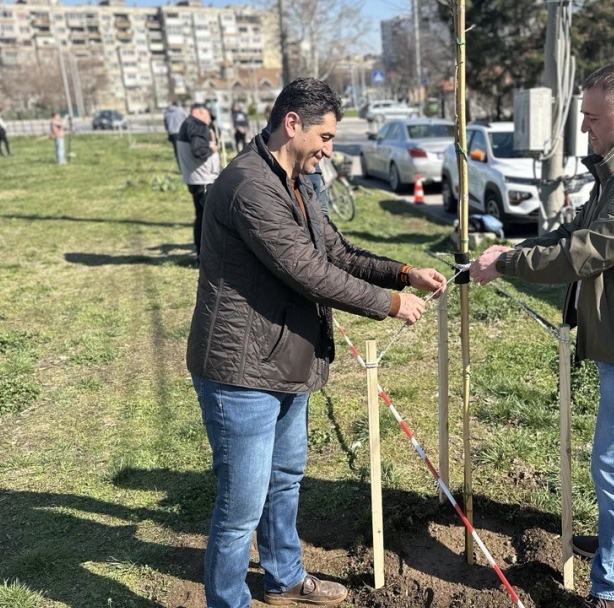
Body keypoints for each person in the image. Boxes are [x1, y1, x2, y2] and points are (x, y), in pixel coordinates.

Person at [186, 77, 446, 608]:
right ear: (292, 124)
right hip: (240, 371)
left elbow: (337, 253)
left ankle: (283, 579)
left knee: (284, 481)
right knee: (239, 510)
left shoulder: (299, 179)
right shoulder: (248, 186)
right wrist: (390, 306)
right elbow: (309, 273)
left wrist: (402, 273)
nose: (329, 149)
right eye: (324, 137)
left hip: (286, 359)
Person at [468, 63, 614, 608]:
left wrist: (506, 264)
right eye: (583, 115)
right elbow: (577, 228)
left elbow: (591, 250)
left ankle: (612, 588)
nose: (584, 128)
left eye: (593, 118)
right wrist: (516, 250)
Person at [174, 103, 220, 260]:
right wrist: (212, 149)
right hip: (203, 179)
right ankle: (205, 254)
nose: (209, 121)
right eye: (208, 116)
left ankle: (202, 252)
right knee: (208, 217)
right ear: (200, 112)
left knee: (202, 215)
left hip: (196, 178)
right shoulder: (197, 125)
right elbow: (198, 150)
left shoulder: (187, 124)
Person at [164, 100, 187, 165]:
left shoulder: (167, 113)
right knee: (184, 150)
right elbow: (187, 121)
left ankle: (180, 165)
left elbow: (166, 124)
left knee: (176, 151)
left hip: (172, 133)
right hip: (181, 132)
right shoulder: (181, 112)